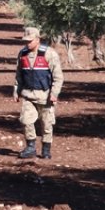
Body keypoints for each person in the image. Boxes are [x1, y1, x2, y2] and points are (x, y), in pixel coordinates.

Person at [12, 26, 63, 159]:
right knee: (26, 120)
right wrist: (16, 91)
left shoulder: (49, 54)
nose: (27, 43)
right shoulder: (22, 54)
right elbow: (19, 75)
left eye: (30, 41)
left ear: (37, 39)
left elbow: (58, 77)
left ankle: (46, 150)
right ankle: (30, 148)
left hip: (45, 96)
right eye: (26, 41)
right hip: (28, 94)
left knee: (47, 124)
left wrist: (54, 94)